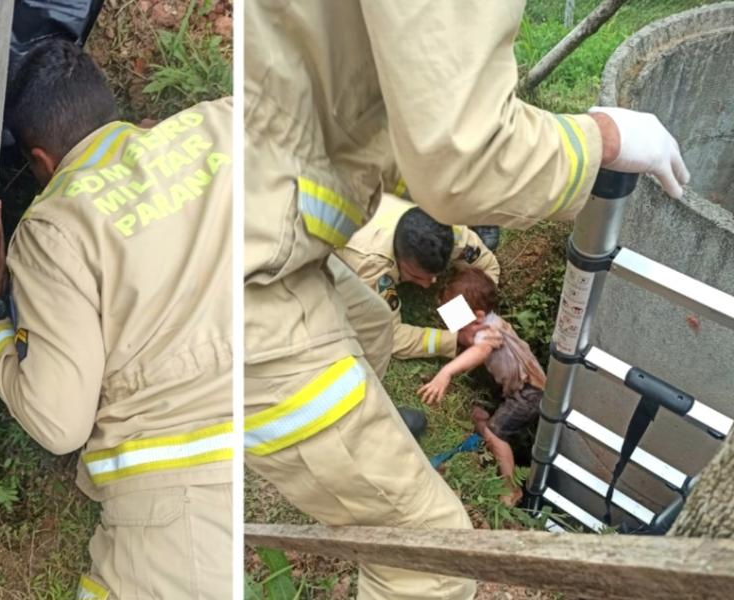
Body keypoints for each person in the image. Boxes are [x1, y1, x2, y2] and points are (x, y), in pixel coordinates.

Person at [244, 3, 689, 598]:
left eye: (441, 287)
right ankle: (374, 428)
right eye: (423, 286)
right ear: (399, 268)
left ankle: (471, 464)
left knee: (381, 333)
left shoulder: (451, 238)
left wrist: (459, 341)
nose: (432, 291)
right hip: (267, 272)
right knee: (430, 551)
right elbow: (465, 156)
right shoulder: (371, 259)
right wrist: (605, 137)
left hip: (271, 195)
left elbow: (477, 291)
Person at [0, 40, 232, 599]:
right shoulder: (220, 126)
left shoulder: (55, 229)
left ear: (39, 162)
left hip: (180, 489)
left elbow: (60, 424)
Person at [418, 267, 546, 507]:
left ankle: (512, 489)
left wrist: (446, 373)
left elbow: (480, 351)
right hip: (515, 389)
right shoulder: (486, 320)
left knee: (497, 434)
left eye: (456, 319)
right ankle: (484, 429)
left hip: (529, 393)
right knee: (479, 414)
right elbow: (466, 341)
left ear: (477, 316)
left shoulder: (487, 332)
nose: (454, 327)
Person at [338, 193, 500, 361]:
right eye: (416, 276)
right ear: (398, 257)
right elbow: (388, 336)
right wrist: (454, 338)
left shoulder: (450, 233)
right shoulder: (371, 264)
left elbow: (488, 265)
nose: (428, 285)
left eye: (435, 274)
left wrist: (473, 311)